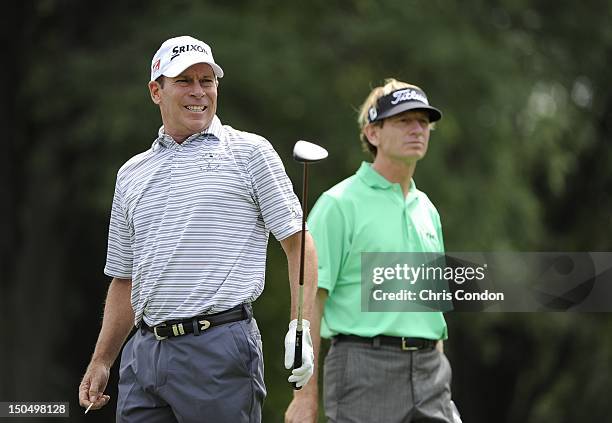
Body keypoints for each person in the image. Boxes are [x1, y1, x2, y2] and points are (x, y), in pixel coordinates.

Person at [78, 35, 317, 422]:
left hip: (218, 349)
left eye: (207, 81)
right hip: (144, 355)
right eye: (184, 81)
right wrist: (102, 359)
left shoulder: (249, 152)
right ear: (156, 91)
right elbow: (125, 279)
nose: (198, 92)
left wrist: (300, 326)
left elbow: (298, 243)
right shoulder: (132, 174)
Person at [285, 79, 461, 422]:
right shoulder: (339, 204)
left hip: (430, 372)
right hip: (364, 367)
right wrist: (304, 397)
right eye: (403, 121)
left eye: (423, 122)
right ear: (373, 133)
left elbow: (430, 309)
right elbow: (309, 304)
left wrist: (441, 380)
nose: (417, 129)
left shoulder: (427, 210)